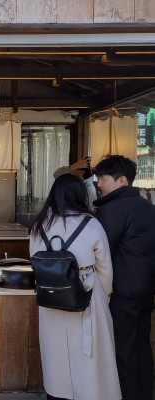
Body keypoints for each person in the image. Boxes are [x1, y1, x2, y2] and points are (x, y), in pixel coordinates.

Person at [29, 174, 121, 400]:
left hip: (50, 295)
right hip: (86, 291)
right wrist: (105, 295)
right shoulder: (91, 223)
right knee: (88, 356)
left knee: (56, 352)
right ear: (81, 195)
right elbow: (105, 267)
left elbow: (34, 259)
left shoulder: (39, 225)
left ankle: (57, 392)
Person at [93, 155, 155, 400]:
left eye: (103, 178)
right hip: (145, 288)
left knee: (123, 347)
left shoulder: (111, 210)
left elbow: (101, 251)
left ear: (121, 180)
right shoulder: (148, 208)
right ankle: (144, 393)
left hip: (121, 290)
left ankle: (126, 394)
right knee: (142, 342)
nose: (99, 184)